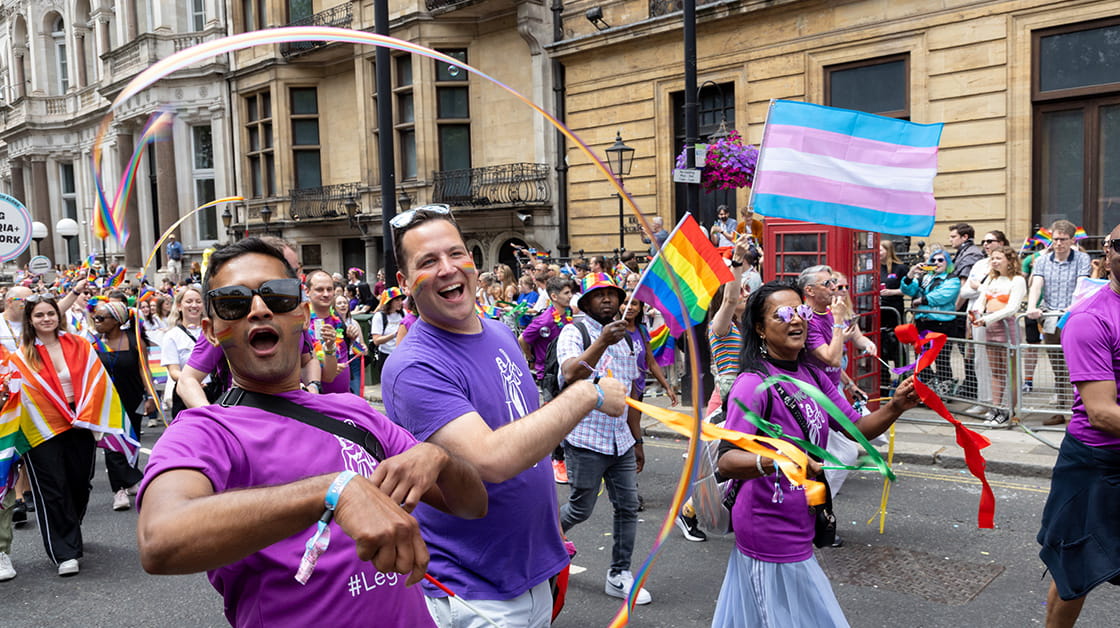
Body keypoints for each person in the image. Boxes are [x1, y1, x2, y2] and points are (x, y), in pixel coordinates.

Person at [135, 237, 487, 627]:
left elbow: (472, 505)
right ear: (212, 329)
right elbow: (159, 541)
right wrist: (334, 490)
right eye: (233, 302)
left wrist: (439, 459)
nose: (258, 309)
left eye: (278, 295)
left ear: (302, 314)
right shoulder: (207, 431)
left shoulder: (355, 411)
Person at [380, 205, 627, 627]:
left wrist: (548, 532)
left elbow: (527, 438)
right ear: (405, 282)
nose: (447, 269)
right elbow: (490, 460)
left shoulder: (496, 330)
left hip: (531, 575)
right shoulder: (413, 366)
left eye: (456, 254)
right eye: (427, 261)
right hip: (471, 595)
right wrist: (587, 394)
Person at [712, 281, 921, 627]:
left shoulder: (812, 375)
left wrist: (897, 405)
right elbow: (727, 460)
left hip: (801, 516)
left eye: (801, 312)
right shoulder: (752, 384)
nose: (796, 320)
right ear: (761, 329)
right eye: (782, 314)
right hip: (766, 521)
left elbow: (856, 428)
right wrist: (776, 460)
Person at [5, 294, 138, 577]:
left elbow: (98, 381)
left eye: (50, 313)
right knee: (52, 488)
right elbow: (23, 397)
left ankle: (69, 526)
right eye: (39, 315)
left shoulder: (79, 345)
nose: (46, 319)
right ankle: (65, 552)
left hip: (80, 421)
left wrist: (88, 415)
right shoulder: (22, 355)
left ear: (58, 315)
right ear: (30, 320)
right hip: (40, 427)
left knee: (79, 483)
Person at [1036, 223, 1120, 628]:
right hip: (1096, 465)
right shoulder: (1090, 318)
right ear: (1107, 252)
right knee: (1074, 573)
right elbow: (1102, 412)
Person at [556, 273, 651, 605]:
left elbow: (632, 392)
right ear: (585, 303)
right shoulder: (575, 331)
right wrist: (601, 343)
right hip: (586, 439)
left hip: (621, 441)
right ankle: (545, 542)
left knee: (626, 507)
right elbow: (570, 373)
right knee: (581, 508)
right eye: (600, 295)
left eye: (613, 294)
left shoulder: (627, 337)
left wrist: (637, 441)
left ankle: (618, 574)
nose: (608, 300)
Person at [1026, 219, 1092, 426]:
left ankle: (1078, 411)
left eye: (1063, 240)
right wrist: (1031, 306)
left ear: (1072, 240)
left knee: (1076, 366)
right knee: (1057, 366)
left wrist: (1071, 309)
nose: (1058, 244)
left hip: (1072, 317)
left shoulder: (1082, 258)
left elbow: (1082, 286)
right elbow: (1037, 283)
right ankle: (1062, 408)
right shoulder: (1044, 260)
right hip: (1050, 317)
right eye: (1055, 239)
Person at [91, 300, 152, 511]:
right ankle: (119, 490)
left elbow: (144, 371)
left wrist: (151, 396)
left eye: (100, 318)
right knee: (111, 444)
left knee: (132, 441)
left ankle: (130, 482)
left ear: (116, 321)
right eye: (94, 317)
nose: (95, 321)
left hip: (133, 398)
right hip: (106, 402)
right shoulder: (93, 344)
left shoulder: (135, 342)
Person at [971, 245, 1026, 426]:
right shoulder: (991, 280)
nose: (994, 261)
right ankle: (995, 407)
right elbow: (981, 300)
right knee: (996, 371)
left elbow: (1012, 307)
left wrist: (988, 318)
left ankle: (1009, 409)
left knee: (1010, 371)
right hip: (989, 328)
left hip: (1006, 328)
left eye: (998, 258)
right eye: (992, 258)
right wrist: (976, 313)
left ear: (1009, 260)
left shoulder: (1017, 280)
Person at [956, 231, 1010, 414]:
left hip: (997, 319)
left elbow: (1000, 291)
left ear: (1001, 243)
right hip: (976, 316)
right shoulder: (979, 264)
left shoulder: (1006, 266)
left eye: (990, 241)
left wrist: (979, 287)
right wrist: (981, 289)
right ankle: (983, 400)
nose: (986, 244)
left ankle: (1002, 404)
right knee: (979, 359)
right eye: (984, 241)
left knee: (999, 363)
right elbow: (964, 292)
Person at [900, 249, 962, 387]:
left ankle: (944, 387)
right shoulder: (925, 277)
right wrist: (911, 274)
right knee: (922, 357)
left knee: (941, 359)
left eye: (941, 260)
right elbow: (908, 290)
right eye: (933, 260)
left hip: (942, 324)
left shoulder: (953, 279)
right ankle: (927, 386)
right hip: (923, 323)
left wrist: (922, 300)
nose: (936, 263)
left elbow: (943, 296)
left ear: (948, 263)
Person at [306, 270, 363, 396]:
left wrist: (353, 340)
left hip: (343, 395)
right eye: (319, 289)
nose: (326, 294)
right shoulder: (301, 321)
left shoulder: (338, 319)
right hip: (316, 398)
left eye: (329, 289)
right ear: (307, 291)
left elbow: (350, 350)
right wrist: (327, 368)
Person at [160, 285, 206, 420]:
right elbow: (173, 371)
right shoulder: (172, 335)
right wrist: (192, 381)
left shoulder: (213, 331)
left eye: (198, 301)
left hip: (214, 391)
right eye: (189, 301)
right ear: (179, 306)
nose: (194, 305)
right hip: (186, 392)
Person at [878, 240, 909, 371]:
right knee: (881, 345)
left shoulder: (900, 268)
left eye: (880, 250)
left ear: (888, 251)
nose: (877, 253)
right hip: (879, 311)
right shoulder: (874, 267)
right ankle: (884, 379)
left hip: (894, 311)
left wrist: (892, 292)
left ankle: (902, 375)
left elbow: (908, 289)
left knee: (897, 345)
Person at [369, 287, 405, 386]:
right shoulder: (379, 316)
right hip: (386, 357)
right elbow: (376, 340)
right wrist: (395, 334)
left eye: (401, 300)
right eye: (397, 300)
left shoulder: (403, 314)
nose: (401, 302)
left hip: (402, 356)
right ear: (389, 302)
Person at [334, 294, 368, 395]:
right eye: (339, 303)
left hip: (354, 362)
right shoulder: (333, 323)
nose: (343, 305)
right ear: (334, 306)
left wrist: (363, 349)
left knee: (356, 391)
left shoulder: (354, 323)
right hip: (339, 361)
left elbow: (362, 344)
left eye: (345, 303)